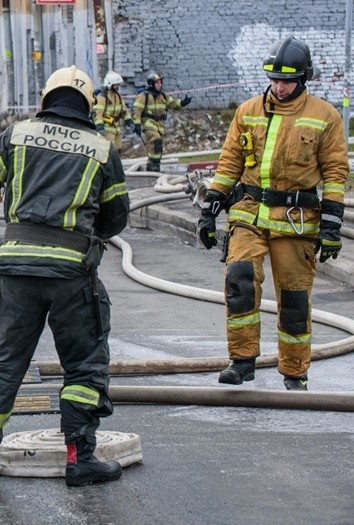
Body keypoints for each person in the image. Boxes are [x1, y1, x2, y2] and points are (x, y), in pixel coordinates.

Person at [0, 66, 129, 486]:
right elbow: (116, 218)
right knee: (84, 368)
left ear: (46, 98)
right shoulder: (102, 149)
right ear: (89, 105)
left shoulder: (16, 135)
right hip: (72, 273)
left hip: (16, 270)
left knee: (4, 364)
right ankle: (79, 458)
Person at [197, 36, 347, 391]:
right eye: (274, 79)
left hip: (296, 222)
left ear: (304, 78)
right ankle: (242, 360)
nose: (279, 86)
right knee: (240, 283)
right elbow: (230, 162)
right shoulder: (247, 111)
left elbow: (336, 173)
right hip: (248, 213)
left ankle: (294, 372)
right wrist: (210, 209)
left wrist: (331, 225)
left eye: (288, 80)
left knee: (294, 300)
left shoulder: (325, 116)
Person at [132, 71, 191, 172]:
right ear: (151, 84)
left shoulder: (163, 96)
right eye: (157, 83)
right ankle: (154, 165)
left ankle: (152, 165)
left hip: (160, 125)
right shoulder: (143, 96)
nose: (160, 85)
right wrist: (137, 124)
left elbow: (173, 103)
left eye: (161, 83)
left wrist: (183, 102)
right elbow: (137, 111)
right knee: (156, 140)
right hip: (148, 124)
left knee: (156, 146)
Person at [94, 70, 140, 150]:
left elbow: (124, 112)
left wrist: (130, 123)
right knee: (110, 152)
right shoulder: (102, 97)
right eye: (116, 85)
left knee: (118, 149)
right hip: (106, 129)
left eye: (118, 85)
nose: (118, 87)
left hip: (117, 129)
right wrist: (100, 128)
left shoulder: (117, 96)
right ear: (109, 84)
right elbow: (98, 115)